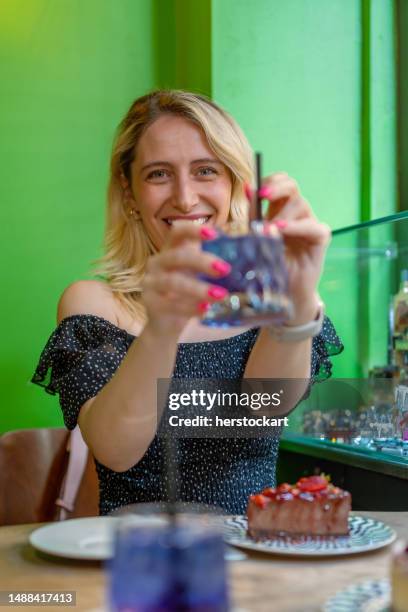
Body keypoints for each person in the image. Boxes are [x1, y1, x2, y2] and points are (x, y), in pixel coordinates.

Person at [32, 90, 343, 515]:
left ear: (235, 180)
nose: (184, 197)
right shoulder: (95, 302)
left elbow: (264, 406)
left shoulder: (277, 298)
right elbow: (115, 449)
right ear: (130, 190)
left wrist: (297, 294)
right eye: (159, 174)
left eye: (205, 170)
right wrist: (163, 325)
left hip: (249, 559)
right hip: (135, 561)